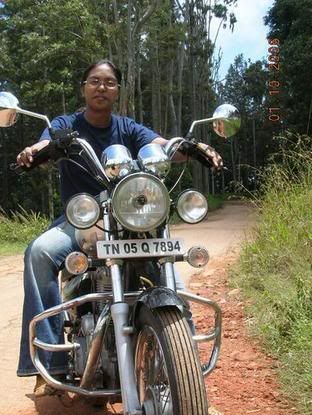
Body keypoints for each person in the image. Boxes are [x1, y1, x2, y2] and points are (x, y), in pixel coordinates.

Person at [16, 59, 222, 396]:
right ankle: (49, 362)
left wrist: (191, 146)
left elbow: (163, 144)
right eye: (94, 80)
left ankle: (190, 386)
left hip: (129, 217)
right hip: (80, 218)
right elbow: (44, 145)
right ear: (83, 87)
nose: (101, 87)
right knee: (39, 252)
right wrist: (37, 150)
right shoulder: (66, 124)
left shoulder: (128, 128)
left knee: (170, 277)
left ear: (117, 91)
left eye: (109, 82)